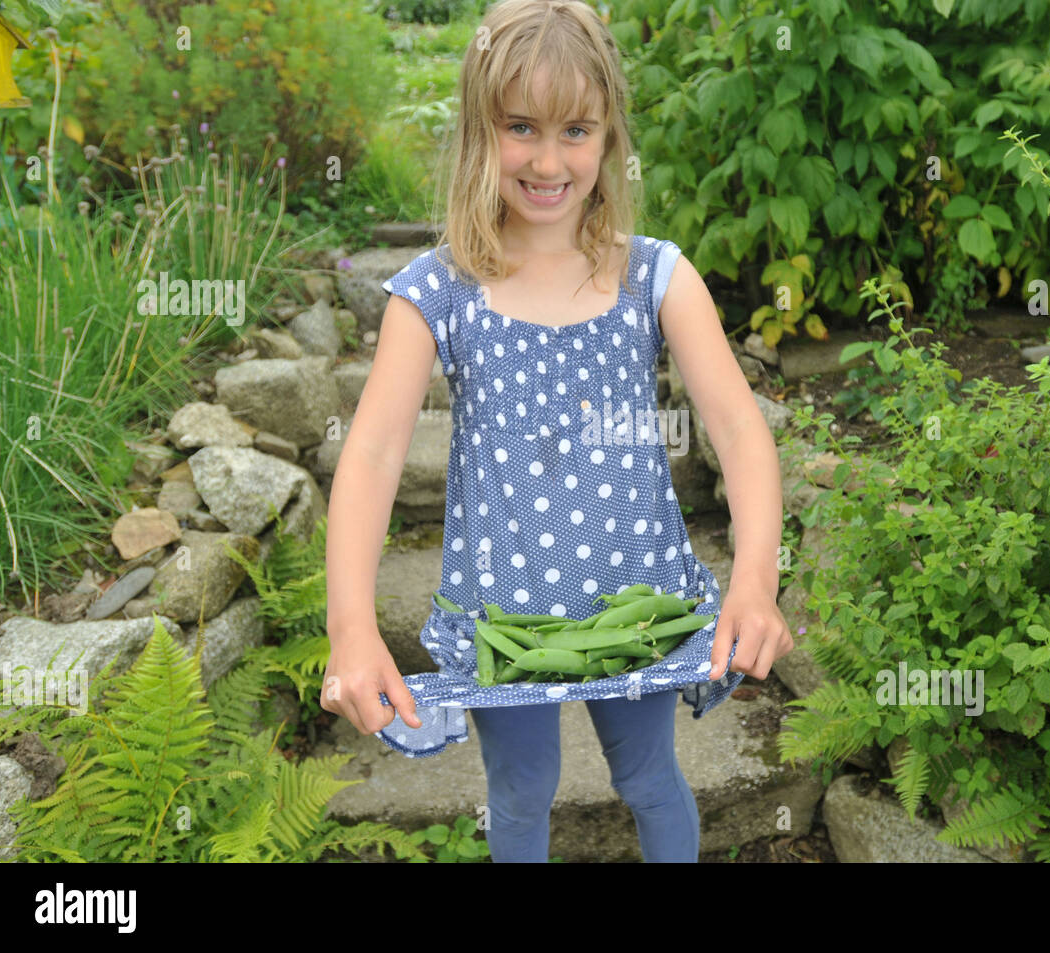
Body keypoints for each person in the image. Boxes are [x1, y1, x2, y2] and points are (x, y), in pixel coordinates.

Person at [322, 0, 793, 862]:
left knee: (651, 777)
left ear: (611, 133)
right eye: (521, 127)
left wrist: (754, 578)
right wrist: (350, 624)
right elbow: (374, 453)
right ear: (478, 129)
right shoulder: (437, 292)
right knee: (521, 791)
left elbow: (736, 425)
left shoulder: (656, 275)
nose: (548, 159)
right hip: (507, 616)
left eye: (576, 129)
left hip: (634, 605)